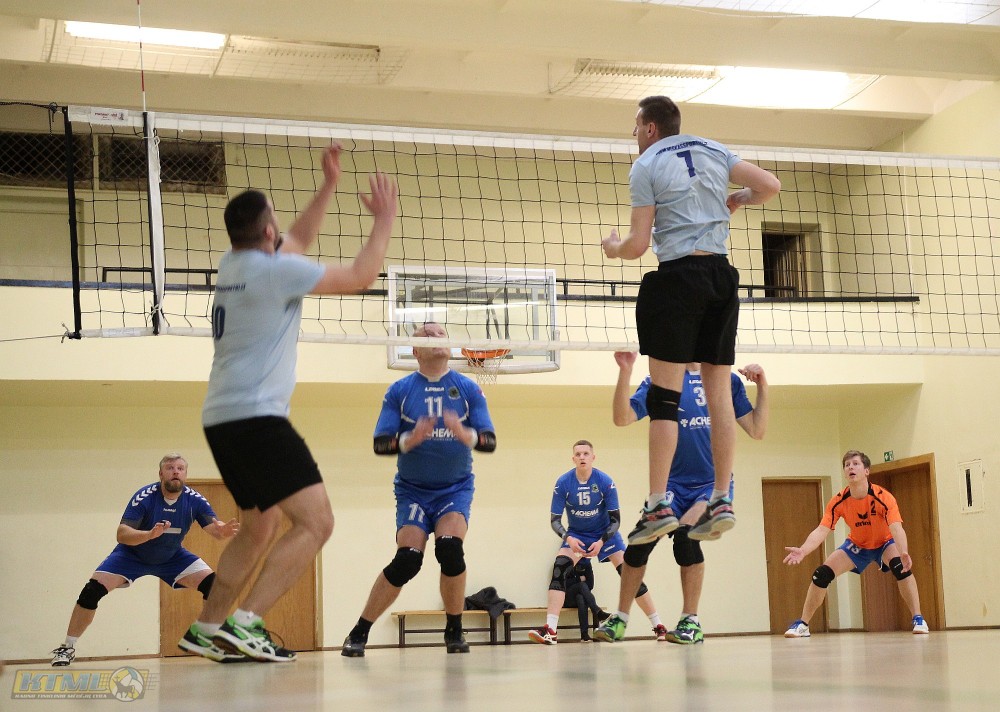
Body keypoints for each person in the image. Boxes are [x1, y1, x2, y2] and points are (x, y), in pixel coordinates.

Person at [181, 144, 398, 663]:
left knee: (260, 526)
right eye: (276, 221)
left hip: (221, 418)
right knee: (317, 523)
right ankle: (246, 622)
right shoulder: (277, 273)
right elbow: (362, 275)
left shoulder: (233, 263)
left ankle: (206, 628)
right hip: (258, 419)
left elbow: (295, 240)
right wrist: (384, 220)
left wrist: (328, 187)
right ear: (267, 231)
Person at [601, 95, 780, 548]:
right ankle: (721, 498)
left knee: (664, 400)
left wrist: (613, 247)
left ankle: (657, 504)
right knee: (719, 398)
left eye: (636, 126)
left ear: (650, 127)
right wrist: (738, 198)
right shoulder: (714, 148)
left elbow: (638, 245)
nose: (634, 134)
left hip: (677, 278)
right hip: (721, 276)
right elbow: (770, 185)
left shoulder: (646, 165)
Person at [341, 321, 497, 657]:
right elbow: (380, 443)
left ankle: (454, 629)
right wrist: (411, 439)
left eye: (439, 333)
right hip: (413, 490)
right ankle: (359, 631)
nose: (434, 336)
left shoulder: (468, 389)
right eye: (426, 334)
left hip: (454, 489)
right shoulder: (399, 391)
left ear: (450, 345)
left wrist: (464, 434)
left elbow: (489, 440)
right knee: (408, 560)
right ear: (414, 350)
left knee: (450, 550)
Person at [596, 352, 767, 644]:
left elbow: (756, 429)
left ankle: (691, 621)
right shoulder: (662, 380)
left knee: (686, 540)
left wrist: (763, 385)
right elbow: (622, 417)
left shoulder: (725, 380)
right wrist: (625, 370)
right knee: (637, 546)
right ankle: (620, 618)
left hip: (710, 485)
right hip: (672, 485)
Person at [50, 453, 240, 666]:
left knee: (215, 587)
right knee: (91, 592)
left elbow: (215, 529)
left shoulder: (194, 500)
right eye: (170, 468)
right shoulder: (145, 496)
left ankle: (208, 639)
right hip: (131, 555)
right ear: (161, 474)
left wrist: (222, 531)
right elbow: (122, 534)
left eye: (180, 468)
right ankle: (67, 648)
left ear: (185, 474)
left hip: (172, 556)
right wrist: (149, 535)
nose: (175, 472)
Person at [528, 440, 666, 645]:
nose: (582, 457)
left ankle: (658, 625)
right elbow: (555, 521)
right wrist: (568, 538)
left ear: (593, 457)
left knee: (630, 575)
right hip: (577, 534)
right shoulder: (563, 483)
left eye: (586, 453)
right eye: (578, 454)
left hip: (604, 534)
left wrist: (602, 542)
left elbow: (615, 520)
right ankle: (550, 630)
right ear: (573, 459)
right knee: (559, 569)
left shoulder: (605, 482)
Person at [782, 450, 929, 637]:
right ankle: (803, 625)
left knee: (901, 567)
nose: (850, 467)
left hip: (884, 542)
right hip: (857, 545)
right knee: (821, 574)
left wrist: (903, 551)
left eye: (855, 463)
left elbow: (896, 528)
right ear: (845, 472)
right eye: (847, 465)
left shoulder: (884, 497)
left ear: (866, 471)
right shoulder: (838, 501)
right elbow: (821, 530)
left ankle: (918, 619)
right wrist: (803, 550)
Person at [563, 558, 610, 642]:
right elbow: (563, 583)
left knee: (580, 597)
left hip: (581, 597)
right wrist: (579, 579)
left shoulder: (586, 563)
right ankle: (597, 612)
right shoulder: (565, 562)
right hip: (568, 598)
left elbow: (591, 584)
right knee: (582, 585)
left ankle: (584, 634)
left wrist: (574, 581)